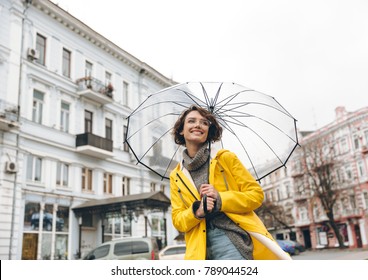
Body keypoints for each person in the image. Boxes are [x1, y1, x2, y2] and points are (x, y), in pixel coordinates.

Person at [169, 105, 291, 260]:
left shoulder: (225, 159)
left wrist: (220, 198)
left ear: (209, 132)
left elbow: (256, 195)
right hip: (198, 251)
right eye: (191, 121)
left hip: (231, 241)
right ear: (181, 130)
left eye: (204, 123)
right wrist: (197, 211)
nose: (198, 125)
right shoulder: (176, 175)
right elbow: (178, 220)